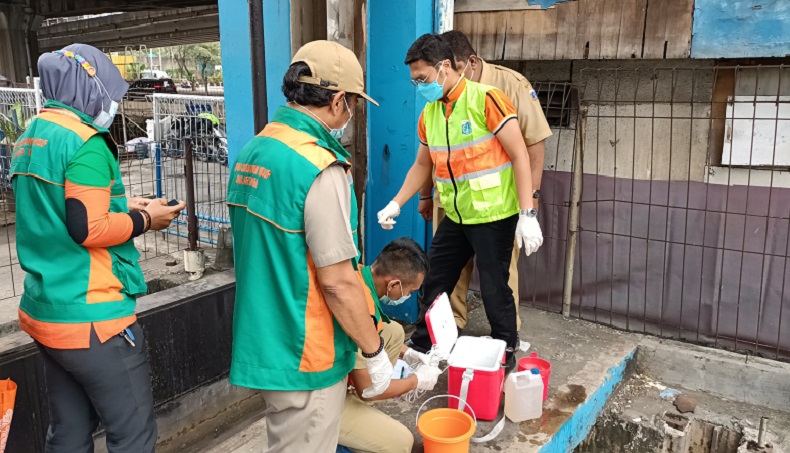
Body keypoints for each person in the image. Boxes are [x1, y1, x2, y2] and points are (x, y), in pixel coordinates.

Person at [10, 44, 185, 452]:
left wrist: (130, 204)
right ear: (90, 87)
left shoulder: (31, 136)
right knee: (133, 436)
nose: (114, 103)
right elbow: (87, 227)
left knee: (68, 432)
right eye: (110, 91)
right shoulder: (85, 141)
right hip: (93, 319)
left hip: (48, 311)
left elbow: (58, 208)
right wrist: (148, 219)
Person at [227, 40, 393, 453]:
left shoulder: (256, 149)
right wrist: (374, 352)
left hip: (266, 338)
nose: (350, 111)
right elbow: (337, 280)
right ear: (338, 100)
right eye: (352, 101)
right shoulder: (318, 166)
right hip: (307, 350)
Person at [377, 34, 544, 370]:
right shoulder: (431, 113)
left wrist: (528, 212)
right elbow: (423, 164)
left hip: (494, 214)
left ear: (445, 67)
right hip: (456, 213)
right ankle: (424, 344)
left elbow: (520, 154)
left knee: (496, 286)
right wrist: (397, 202)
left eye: (422, 79)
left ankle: (504, 349)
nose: (419, 86)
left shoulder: (487, 100)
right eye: (414, 81)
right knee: (436, 278)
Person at [416, 30, 553, 331]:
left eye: (456, 68)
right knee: (447, 274)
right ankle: (446, 331)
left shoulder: (508, 86)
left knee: (499, 278)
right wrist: (425, 195)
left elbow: (532, 146)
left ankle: (506, 337)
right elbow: (428, 155)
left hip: (497, 207)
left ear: (468, 63)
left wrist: (529, 205)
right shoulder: (437, 99)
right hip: (453, 203)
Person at [339, 237, 441, 453]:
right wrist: (416, 381)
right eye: (410, 291)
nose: (408, 296)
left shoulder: (356, 275)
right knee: (402, 442)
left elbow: (380, 333)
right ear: (394, 284)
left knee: (393, 331)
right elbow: (369, 390)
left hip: (333, 374)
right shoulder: (360, 311)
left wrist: (409, 353)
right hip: (322, 398)